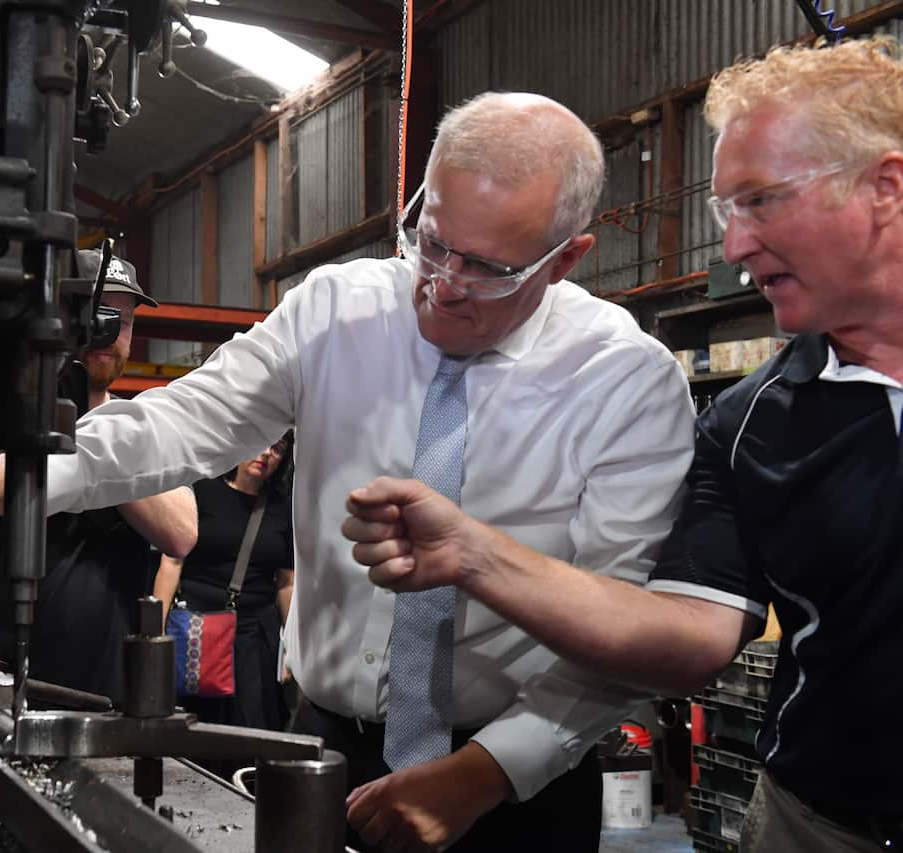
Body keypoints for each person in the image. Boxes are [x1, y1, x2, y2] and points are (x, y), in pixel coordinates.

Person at [0, 93, 695, 851]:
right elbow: (187, 419)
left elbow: (618, 626)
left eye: (487, 270)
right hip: (326, 747)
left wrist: (485, 772)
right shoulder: (339, 308)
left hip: (521, 787)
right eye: (432, 241)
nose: (442, 287)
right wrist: (6, 477)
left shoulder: (627, 381)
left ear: (566, 258)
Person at [343, 37, 903, 853]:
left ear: (885, 185)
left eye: (762, 201)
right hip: (822, 826)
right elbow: (685, 641)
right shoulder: (753, 423)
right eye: (727, 210)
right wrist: (472, 553)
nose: (735, 246)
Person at [0, 249, 198, 703]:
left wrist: (90, 439)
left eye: (123, 320)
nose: (109, 332)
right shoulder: (9, 415)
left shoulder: (144, 423)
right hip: (1, 676)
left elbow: (180, 532)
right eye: (95, 315)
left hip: (105, 690)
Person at [153, 432, 296, 734]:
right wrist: (154, 635)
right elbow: (171, 564)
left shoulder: (284, 508)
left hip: (254, 634)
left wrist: (293, 649)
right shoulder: (202, 491)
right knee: (191, 726)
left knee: (253, 727)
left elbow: (286, 582)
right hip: (196, 628)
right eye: (261, 442)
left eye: (278, 448)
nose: (267, 453)